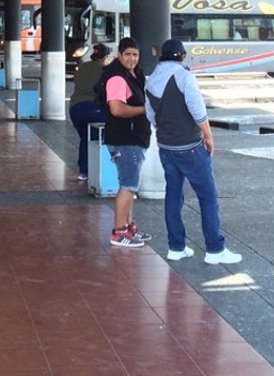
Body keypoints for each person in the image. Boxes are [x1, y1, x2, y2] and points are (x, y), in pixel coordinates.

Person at [145, 39, 242, 266]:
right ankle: (214, 249)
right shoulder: (184, 76)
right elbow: (197, 109)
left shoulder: (150, 80)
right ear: (180, 55)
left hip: (166, 146)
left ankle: (176, 247)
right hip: (189, 146)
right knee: (207, 196)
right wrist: (208, 135)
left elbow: (150, 115)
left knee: (173, 195)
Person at [100, 36, 152, 249]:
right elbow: (117, 109)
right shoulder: (117, 78)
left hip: (132, 138)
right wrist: (144, 110)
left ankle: (128, 226)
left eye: (135, 55)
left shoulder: (133, 74)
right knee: (128, 186)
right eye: (128, 54)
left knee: (130, 186)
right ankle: (118, 231)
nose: (132, 59)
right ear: (119, 55)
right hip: (125, 138)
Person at [68, 43, 109, 181]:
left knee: (85, 138)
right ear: (105, 56)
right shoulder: (105, 69)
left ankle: (83, 171)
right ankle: (103, 169)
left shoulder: (83, 67)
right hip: (92, 108)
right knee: (104, 134)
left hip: (75, 108)